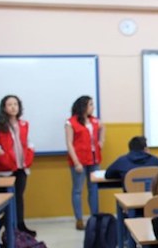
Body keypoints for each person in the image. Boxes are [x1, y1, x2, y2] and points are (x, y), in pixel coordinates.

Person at [0, 95, 36, 236]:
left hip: (21, 168)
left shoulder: (23, 124)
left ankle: (20, 226)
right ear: (4, 108)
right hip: (6, 170)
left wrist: (31, 148)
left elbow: (28, 141)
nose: (13, 107)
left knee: (19, 198)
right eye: (10, 104)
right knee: (5, 202)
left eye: (16, 104)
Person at [65, 95, 105, 230]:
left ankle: (94, 217)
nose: (93, 107)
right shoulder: (71, 122)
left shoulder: (95, 121)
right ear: (83, 106)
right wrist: (76, 162)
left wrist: (101, 142)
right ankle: (79, 219)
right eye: (90, 105)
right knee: (77, 190)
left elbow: (102, 128)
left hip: (94, 159)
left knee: (93, 189)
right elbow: (69, 143)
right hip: (79, 161)